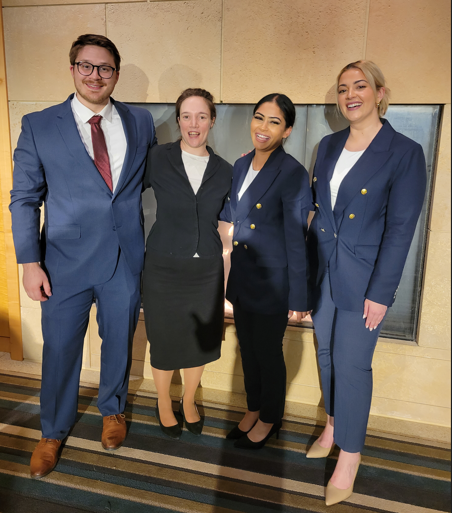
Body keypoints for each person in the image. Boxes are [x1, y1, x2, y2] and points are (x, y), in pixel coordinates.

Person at [9, 34, 157, 479]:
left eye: (105, 68)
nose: (96, 75)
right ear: (72, 69)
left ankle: (112, 409)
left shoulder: (141, 121)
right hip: (62, 263)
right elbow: (23, 198)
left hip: (123, 257)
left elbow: (151, 179)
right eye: (86, 66)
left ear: (116, 72)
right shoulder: (39, 124)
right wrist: (29, 262)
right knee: (60, 350)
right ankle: (52, 432)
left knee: (119, 341)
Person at [306, 60, 427, 506]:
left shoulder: (403, 151)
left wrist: (381, 293)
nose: (350, 94)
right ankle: (335, 425)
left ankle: (350, 455)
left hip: (365, 279)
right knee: (324, 353)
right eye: (342, 88)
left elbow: (401, 229)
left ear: (380, 92)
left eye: (360, 86)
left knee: (352, 365)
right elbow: (319, 212)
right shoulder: (328, 144)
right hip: (324, 271)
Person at [221, 94, 312, 449]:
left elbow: (296, 236)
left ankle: (271, 417)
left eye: (274, 122)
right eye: (259, 118)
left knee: (268, 353)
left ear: (287, 130)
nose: (263, 127)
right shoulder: (242, 165)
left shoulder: (292, 172)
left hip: (273, 282)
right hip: (244, 274)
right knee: (247, 348)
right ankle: (253, 408)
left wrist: (299, 296)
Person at [142, 88, 232, 439]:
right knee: (163, 338)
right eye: (186, 116)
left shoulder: (225, 170)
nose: (193, 124)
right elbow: (124, 194)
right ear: (178, 120)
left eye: (201, 116)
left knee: (200, 339)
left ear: (212, 120)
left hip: (206, 267)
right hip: (163, 265)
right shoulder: (157, 158)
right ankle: (163, 401)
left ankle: (189, 400)